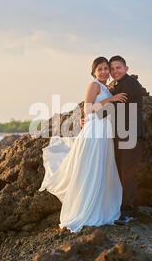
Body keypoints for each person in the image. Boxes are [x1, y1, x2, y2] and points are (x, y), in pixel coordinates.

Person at [38, 57, 128, 233]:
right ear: (94, 72)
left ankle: (99, 209)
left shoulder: (105, 88)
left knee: (101, 169)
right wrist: (112, 99)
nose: (103, 72)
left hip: (103, 131)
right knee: (91, 168)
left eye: (105, 69)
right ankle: (85, 211)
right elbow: (88, 109)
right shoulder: (94, 85)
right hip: (94, 131)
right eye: (99, 69)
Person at [108, 55, 146, 224]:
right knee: (121, 172)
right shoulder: (117, 86)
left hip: (131, 134)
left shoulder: (130, 84)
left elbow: (115, 107)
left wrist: (94, 112)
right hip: (120, 134)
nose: (115, 71)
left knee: (128, 174)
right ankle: (123, 208)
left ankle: (128, 212)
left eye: (118, 67)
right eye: (112, 69)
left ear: (126, 69)